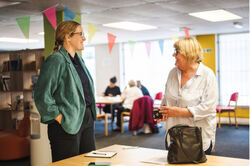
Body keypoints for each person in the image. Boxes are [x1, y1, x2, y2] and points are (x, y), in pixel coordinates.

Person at [34, 21, 97, 162]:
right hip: (67, 122)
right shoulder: (56, 60)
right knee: (68, 164)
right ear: (68, 37)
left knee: (89, 161)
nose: (84, 38)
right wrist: (60, 118)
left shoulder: (79, 60)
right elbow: (41, 95)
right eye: (80, 34)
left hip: (85, 118)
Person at [159, 37, 218, 155]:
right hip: (174, 137)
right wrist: (163, 111)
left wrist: (179, 112)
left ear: (188, 54)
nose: (173, 55)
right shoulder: (172, 73)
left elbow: (209, 108)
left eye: (176, 52)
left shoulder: (207, 75)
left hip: (197, 139)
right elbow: (167, 97)